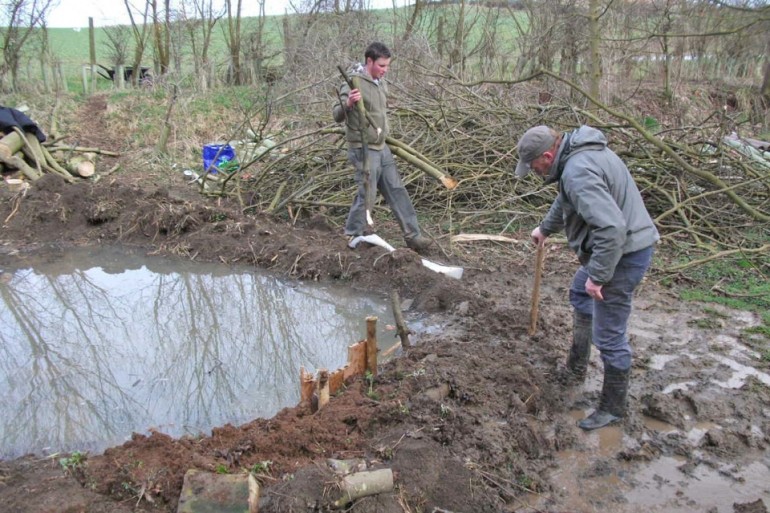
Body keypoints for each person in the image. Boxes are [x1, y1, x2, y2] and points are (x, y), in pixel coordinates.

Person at [515, 125, 659, 431]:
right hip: (621, 249)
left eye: (533, 166)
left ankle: (612, 408)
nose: (533, 172)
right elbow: (567, 200)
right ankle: (576, 367)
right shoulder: (577, 158)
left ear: (547, 155)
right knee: (580, 293)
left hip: (622, 254)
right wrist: (545, 228)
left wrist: (599, 276)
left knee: (609, 335)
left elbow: (611, 229)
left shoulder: (578, 171)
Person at [332, 42, 431, 253]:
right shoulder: (353, 81)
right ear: (369, 61)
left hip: (381, 146)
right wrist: (348, 103)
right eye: (382, 65)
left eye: (387, 66)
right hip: (363, 148)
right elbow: (336, 115)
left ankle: (413, 236)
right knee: (367, 192)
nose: (385, 70)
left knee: (396, 189)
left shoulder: (380, 82)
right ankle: (354, 234)